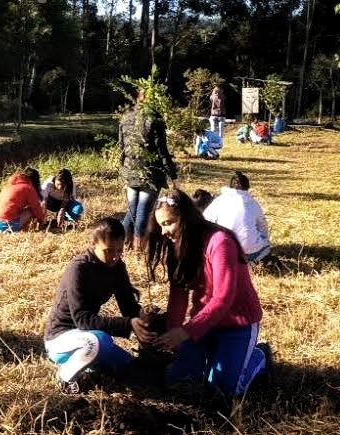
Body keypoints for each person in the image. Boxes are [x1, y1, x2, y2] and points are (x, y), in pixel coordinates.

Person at [146, 189, 271, 398]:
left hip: (237, 325)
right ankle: (214, 355)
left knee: (222, 392)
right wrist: (173, 333)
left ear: (186, 218)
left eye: (168, 223)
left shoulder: (219, 242)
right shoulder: (178, 246)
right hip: (204, 325)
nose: (163, 232)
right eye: (160, 225)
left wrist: (186, 332)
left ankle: (259, 356)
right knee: (179, 379)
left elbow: (223, 298)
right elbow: (178, 294)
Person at [43, 217, 155, 393]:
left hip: (89, 337)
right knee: (100, 341)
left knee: (136, 370)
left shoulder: (118, 267)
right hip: (61, 340)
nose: (114, 257)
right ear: (93, 243)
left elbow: (128, 307)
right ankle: (65, 377)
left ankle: (91, 365)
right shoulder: (78, 268)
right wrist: (128, 323)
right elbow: (82, 320)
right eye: (108, 251)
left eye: (119, 250)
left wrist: (143, 317)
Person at [119, 89, 180, 251]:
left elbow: (122, 147)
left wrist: (124, 169)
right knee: (142, 212)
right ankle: (138, 249)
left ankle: (123, 244)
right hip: (150, 173)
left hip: (130, 170)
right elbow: (162, 152)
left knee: (133, 211)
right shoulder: (155, 120)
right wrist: (173, 175)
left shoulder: (126, 118)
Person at [203, 171, 271, 264]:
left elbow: (204, 221)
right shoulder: (253, 203)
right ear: (248, 188)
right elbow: (263, 226)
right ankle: (251, 262)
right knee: (266, 244)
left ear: (230, 186)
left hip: (223, 250)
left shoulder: (219, 201)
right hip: (250, 252)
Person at [0, 167, 46, 232]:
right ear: (35, 181)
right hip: (5, 225)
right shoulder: (28, 187)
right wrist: (42, 221)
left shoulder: (9, 186)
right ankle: (25, 231)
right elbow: (36, 207)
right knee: (31, 210)